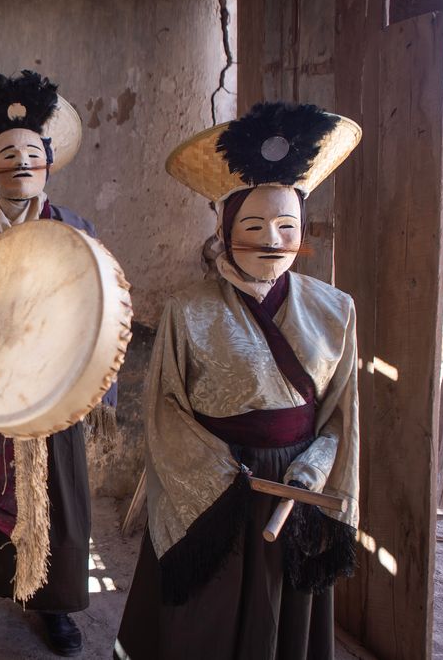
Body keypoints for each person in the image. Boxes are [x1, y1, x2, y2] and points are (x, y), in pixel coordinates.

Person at [114, 101, 362, 660]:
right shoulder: (187, 310)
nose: (272, 239)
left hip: (294, 488)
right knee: (207, 618)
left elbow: (341, 418)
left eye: (287, 226)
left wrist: (311, 472)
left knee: (283, 617)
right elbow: (167, 412)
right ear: (225, 229)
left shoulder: (334, 309)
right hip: (215, 488)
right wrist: (225, 478)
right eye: (253, 225)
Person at [0, 70, 116, 657]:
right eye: (6, 154)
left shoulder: (75, 229)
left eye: (32, 154)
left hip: (54, 391)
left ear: (49, 163)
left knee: (57, 503)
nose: (20, 163)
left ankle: (55, 603)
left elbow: (101, 311)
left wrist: (96, 395)